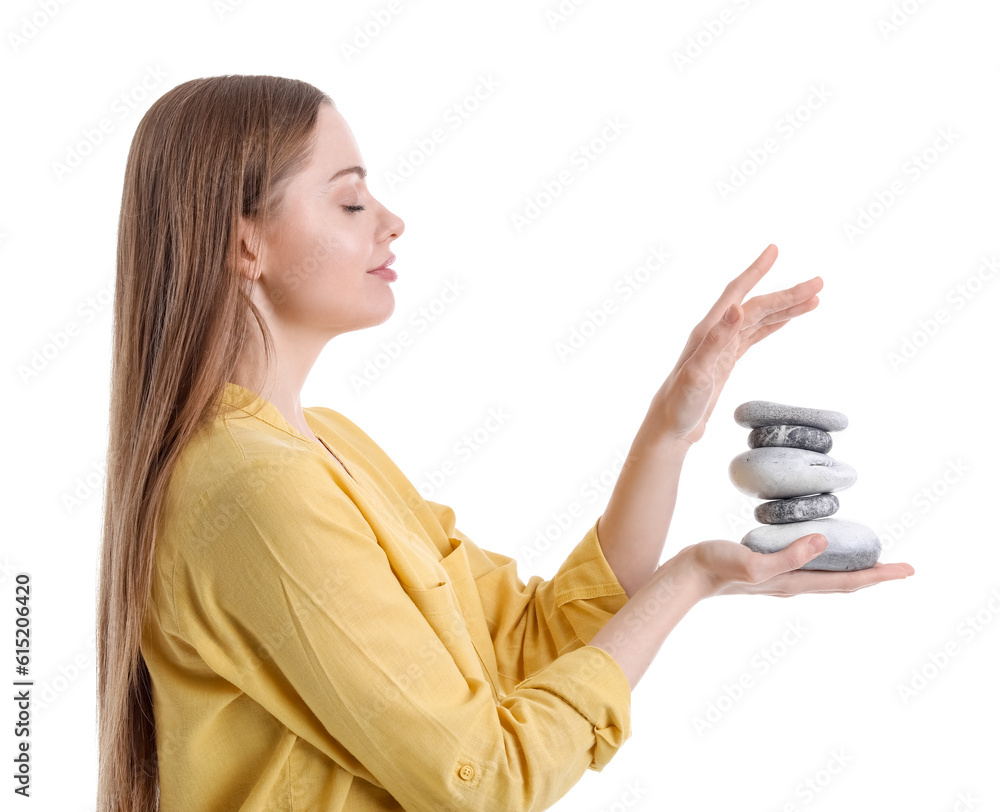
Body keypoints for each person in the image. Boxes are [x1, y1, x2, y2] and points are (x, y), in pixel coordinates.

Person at [95, 74, 915, 812]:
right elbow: (483, 779)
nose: (392, 221)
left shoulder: (326, 447)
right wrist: (693, 577)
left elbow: (534, 640)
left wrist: (673, 425)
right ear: (245, 243)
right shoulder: (253, 487)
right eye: (350, 203)